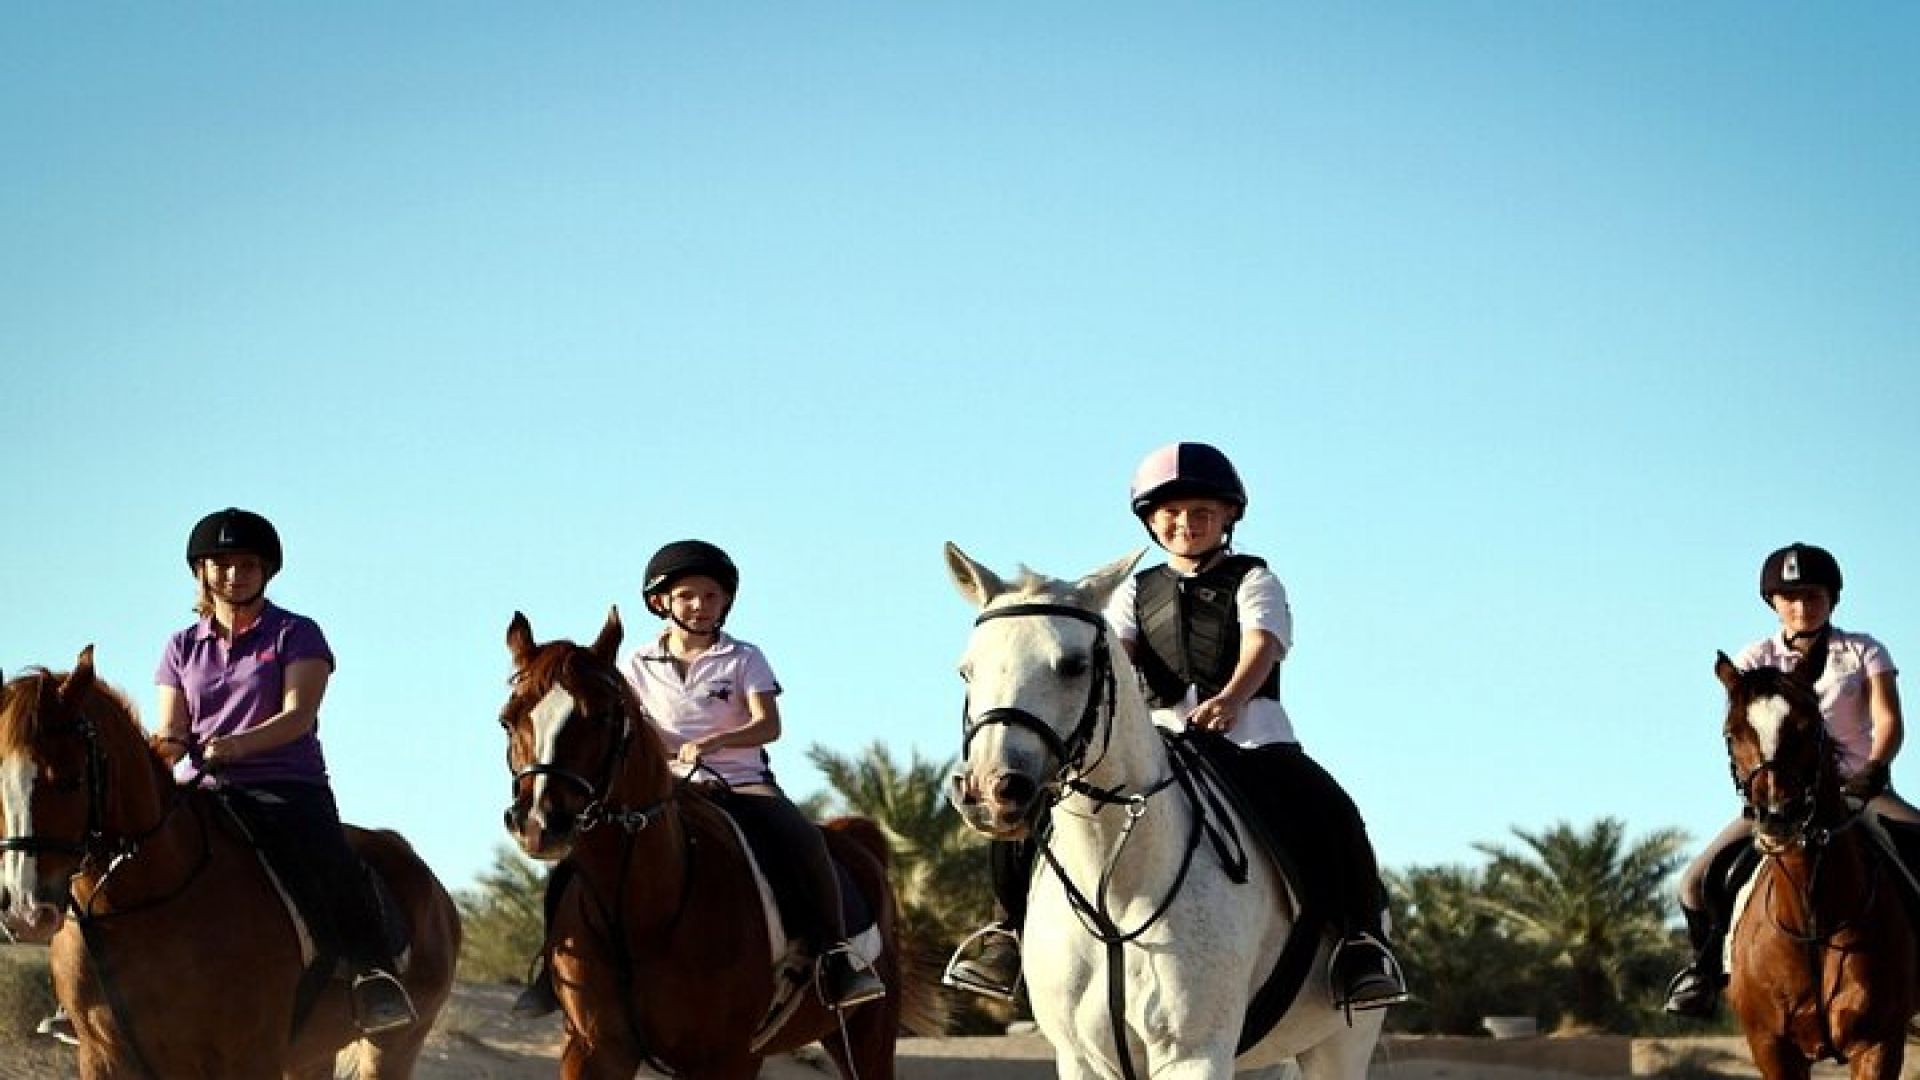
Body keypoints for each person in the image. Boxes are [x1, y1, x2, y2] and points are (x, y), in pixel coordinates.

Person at [947, 442, 1410, 1011]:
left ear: (1227, 519)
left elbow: (1263, 644)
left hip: (1249, 735)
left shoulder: (1255, 579)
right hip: (1162, 737)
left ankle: (1361, 943)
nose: (1185, 523)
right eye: (1171, 514)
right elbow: (1114, 655)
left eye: (1200, 513)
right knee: (1042, 803)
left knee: (1328, 807)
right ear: (1151, 522)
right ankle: (1008, 933)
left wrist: (1233, 698)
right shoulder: (1136, 591)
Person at [515, 540, 885, 1016]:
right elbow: (626, 723)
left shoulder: (744, 657)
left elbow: (769, 725)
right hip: (665, 785)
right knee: (577, 856)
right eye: (688, 596)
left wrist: (715, 743)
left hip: (741, 782)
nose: (701, 606)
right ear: (660, 602)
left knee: (803, 841)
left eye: (712, 597)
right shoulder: (636, 664)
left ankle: (837, 957)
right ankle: (552, 970)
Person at [156, 507, 415, 1033]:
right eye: (221, 564)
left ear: (266, 570)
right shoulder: (181, 646)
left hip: (284, 785)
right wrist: (155, 758)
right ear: (202, 572)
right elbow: (173, 730)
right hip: (203, 787)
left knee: (332, 860)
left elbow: (297, 717)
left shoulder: (296, 634)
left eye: (247, 563)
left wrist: (234, 746)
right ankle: (90, 986)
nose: (234, 574)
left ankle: (374, 975)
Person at [1664, 541, 1918, 1018]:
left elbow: (1889, 721)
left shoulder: (1863, 650)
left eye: (1813, 596)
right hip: (1780, 797)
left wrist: (1874, 771)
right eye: (1790, 597)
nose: (1802, 607)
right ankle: (1704, 974)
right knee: (1694, 882)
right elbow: (1744, 733)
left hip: (1862, 792)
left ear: (1832, 598)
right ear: (1773, 603)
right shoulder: (1755, 658)